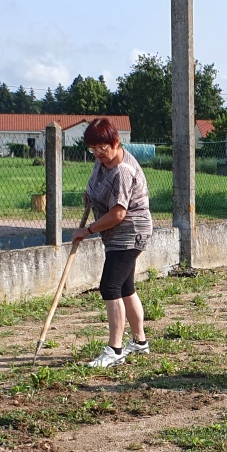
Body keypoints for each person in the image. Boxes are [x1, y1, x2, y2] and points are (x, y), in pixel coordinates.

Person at [71, 117, 153, 368]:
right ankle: (139, 343)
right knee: (125, 286)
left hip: (130, 233)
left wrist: (88, 230)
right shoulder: (103, 162)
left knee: (110, 286)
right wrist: (90, 199)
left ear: (116, 142)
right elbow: (96, 188)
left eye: (102, 148)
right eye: (93, 149)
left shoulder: (123, 171)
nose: (97, 153)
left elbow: (118, 213)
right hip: (117, 235)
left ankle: (115, 349)